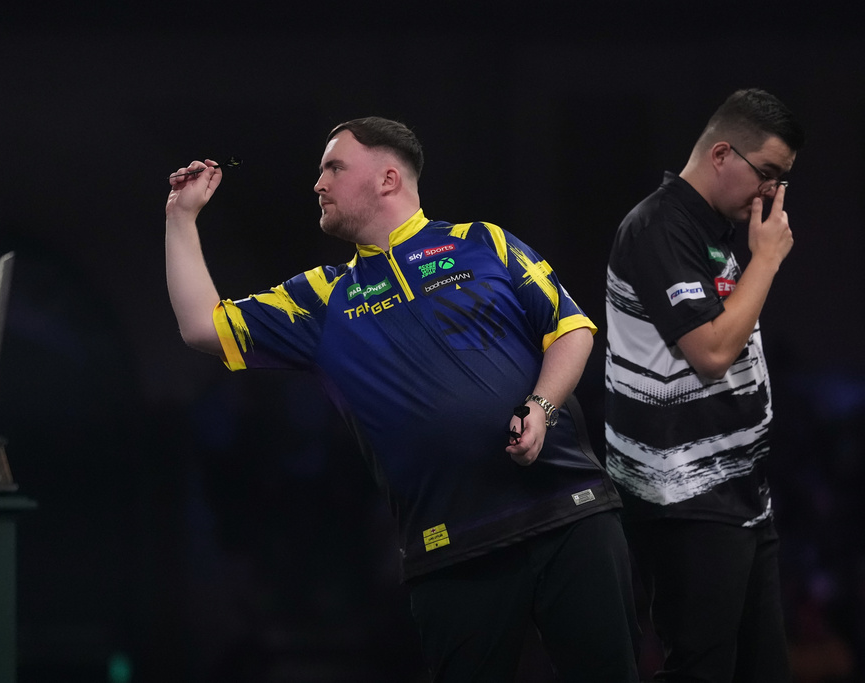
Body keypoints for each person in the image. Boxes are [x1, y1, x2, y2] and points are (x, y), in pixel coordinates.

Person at [166, 116, 639, 682]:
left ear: (388, 179)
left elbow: (571, 329)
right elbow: (201, 327)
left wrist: (540, 407)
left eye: (333, 168)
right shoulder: (322, 297)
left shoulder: (482, 242)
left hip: (571, 514)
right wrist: (181, 216)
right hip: (452, 549)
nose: (318, 184)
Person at [604, 89, 805, 682]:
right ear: (722, 154)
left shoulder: (716, 230)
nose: (773, 194)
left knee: (765, 670)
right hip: (683, 498)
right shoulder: (657, 226)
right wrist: (765, 261)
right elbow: (713, 352)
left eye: (782, 180)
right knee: (703, 669)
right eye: (767, 174)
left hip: (742, 493)